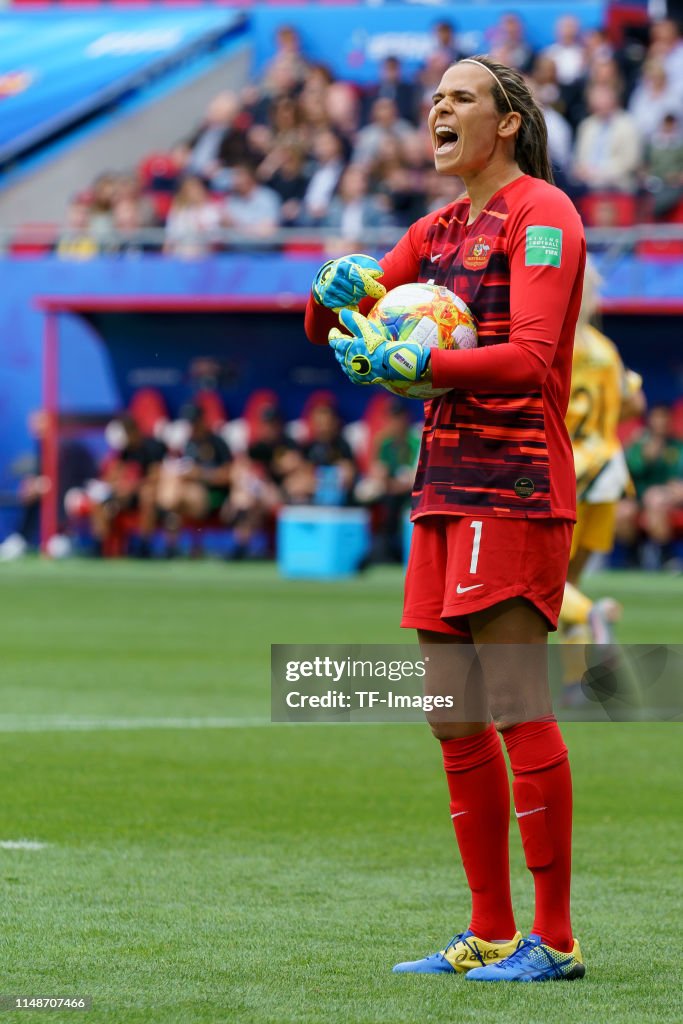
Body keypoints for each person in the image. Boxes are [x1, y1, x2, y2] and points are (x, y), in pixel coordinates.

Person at [305, 55, 587, 982]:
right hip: (442, 489)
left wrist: (412, 369)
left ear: (505, 121)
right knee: (450, 717)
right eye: (435, 96)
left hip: (511, 483)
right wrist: (333, 291)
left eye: (460, 96)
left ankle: (554, 940)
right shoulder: (433, 233)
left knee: (513, 706)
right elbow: (332, 324)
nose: (439, 106)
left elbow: (535, 360)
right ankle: (491, 932)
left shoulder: (542, 215)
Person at [559, 260, 645, 701]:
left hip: (562, 472)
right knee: (569, 579)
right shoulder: (604, 349)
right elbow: (635, 402)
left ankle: (593, 615)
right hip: (607, 472)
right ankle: (578, 682)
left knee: (546, 583)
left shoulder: (552, 343)